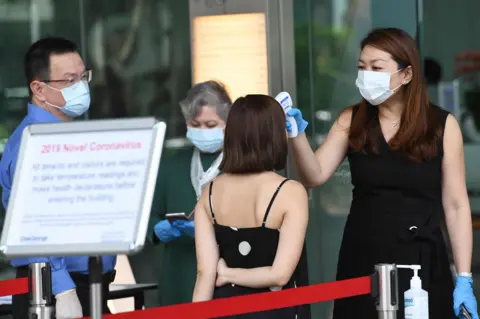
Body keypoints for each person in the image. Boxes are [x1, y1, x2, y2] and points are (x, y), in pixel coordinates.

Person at [285, 28, 479, 319]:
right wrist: (296, 135)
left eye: (376, 68)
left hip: (421, 256)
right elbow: (314, 175)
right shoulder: (352, 120)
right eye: (361, 67)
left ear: (406, 74)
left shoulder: (441, 125)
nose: (366, 75)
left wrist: (464, 277)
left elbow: (456, 204)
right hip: (363, 254)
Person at [0, 37, 116, 319]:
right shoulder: (34, 144)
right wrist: (63, 291)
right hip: (50, 289)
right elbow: (35, 225)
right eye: (69, 81)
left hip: (89, 280)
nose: (82, 87)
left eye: (83, 77)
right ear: (39, 89)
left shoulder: (68, 135)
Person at [192, 94, 309, 319]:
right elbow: (279, 276)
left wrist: (227, 276)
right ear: (274, 136)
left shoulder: (210, 192)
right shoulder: (290, 192)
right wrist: (228, 274)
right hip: (275, 311)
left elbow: (205, 273)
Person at [148, 80, 232, 306]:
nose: (203, 131)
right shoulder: (171, 166)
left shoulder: (239, 165)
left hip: (226, 274)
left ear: (229, 123)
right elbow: (148, 215)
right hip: (179, 272)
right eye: (196, 124)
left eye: (211, 124)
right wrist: (158, 230)